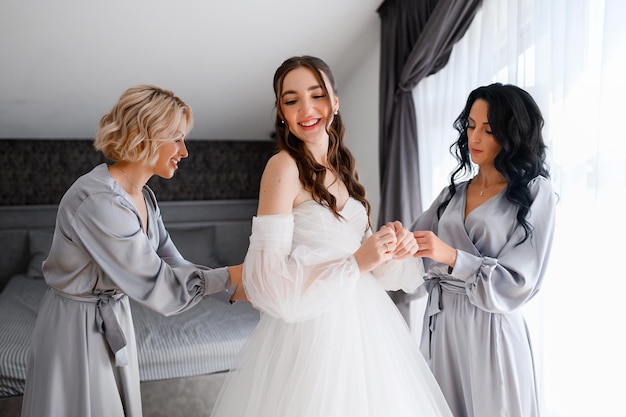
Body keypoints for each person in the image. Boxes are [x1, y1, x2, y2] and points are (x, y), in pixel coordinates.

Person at [209, 55, 452, 417]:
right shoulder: (282, 167)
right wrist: (357, 261)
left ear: (335, 102)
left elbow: (370, 262)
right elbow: (266, 280)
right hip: (312, 333)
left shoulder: (344, 167)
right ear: (281, 111)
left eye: (317, 95)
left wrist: (391, 246)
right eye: (291, 100)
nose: (306, 109)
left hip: (367, 329)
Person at [21, 85, 246, 417]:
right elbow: (161, 286)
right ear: (147, 135)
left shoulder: (143, 196)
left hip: (113, 317)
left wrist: (234, 288)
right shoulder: (100, 202)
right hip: (77, 327)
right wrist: (240, 272)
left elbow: (174, 264)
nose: (184, 152)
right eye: (177, 138)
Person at [410, 83, 557, 417]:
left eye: (488, 130)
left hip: (492, 329)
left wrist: (450, 257)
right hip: (444, 326)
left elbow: (519, 281)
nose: (474, 138)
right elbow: (415, 243)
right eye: (471, 126)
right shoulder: (453, 194)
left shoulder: (535, 192)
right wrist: (394, 239)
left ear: (511, 134)